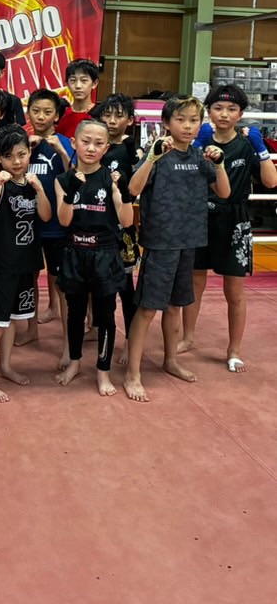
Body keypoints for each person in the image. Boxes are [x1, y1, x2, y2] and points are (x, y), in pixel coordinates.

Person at [123, 96, 231, 403]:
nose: (187, 126)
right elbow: (132, 189)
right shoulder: (157, 153)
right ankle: (132, 374)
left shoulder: (200, 156)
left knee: (174, 306)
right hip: (161, 243)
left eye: (194, 120)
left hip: (189, 241)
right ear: (167, 123)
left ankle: (170, 360)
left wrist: (220, 164)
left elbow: (224, 192)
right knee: (148, 308)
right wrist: (152, 157)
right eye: (181, 119)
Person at [179, 84, 277, 372]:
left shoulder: (246, 144)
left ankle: (234, 349)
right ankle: (187, 338)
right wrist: (196, 148)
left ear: (240, 114)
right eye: (218, 108)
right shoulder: (197, 141)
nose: (224, 114)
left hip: (234, 219)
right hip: (199, 216)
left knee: (234, 290)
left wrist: (261, 150)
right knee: (194, 283)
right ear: (208, 112)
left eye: (231, 109)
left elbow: (271, 182)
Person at [54, 120, 133, 395]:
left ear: (106, 148)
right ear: (74, 143)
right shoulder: (63, 180)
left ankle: (103, 370)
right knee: (75, 313)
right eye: (85, 141)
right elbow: (64, 221)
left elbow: (127, 220)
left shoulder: (112, 179)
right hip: (75, 251)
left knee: (105, 315)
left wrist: (122, 193)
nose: (91, 148)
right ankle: (75, 362)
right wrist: (71, 194)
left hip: (105, 252)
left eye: (98, 144)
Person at [0, 125, 51, 403]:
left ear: (29, 153)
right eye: (9, 156)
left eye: (21, 154)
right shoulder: (1, 185)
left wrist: (40, 189)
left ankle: (5, 366)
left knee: (11, 321)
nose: (16, 161)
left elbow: (45, 216)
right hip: (2, 264)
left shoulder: (31, 184)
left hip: (26, 262)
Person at [18, 89, 73, 363]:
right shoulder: (22, 143)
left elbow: (76, 176)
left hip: (57, 227)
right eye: (36, 111)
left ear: (57, 116)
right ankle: (31, 329)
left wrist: (61, 151)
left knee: (62, 285)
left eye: (47, 112)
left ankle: (68, 344)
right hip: (27, 223)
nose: (41, 116)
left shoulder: (64, 143)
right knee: (29, 279)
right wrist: (25, 150)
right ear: (28, 113)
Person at [96, 93, 140, 364]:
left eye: (118, 116)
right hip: (95, 222)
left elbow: (137, 185)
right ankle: (98, 331)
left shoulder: (131, 150)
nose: (112, 121)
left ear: (130, 120)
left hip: (122, 225)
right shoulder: (95, 144)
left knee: (125, 286)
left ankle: (130, 340)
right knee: (98, 285)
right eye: (107, 115)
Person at [56, 58, 100, 138]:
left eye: (84, 80)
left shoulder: (99, 114)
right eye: (73, 80)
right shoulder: (61, 113)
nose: (78, 86)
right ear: (67, 84)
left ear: (94, 83)